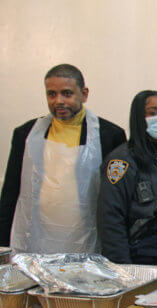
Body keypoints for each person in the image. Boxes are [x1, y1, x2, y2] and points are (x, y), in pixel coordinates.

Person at [0, 64, 126, 253]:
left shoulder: (110, 135)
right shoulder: (25, 134)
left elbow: (117, 198)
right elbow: (11, 191)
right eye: (51, 94)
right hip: (36, 239)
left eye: (67, 94)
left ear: (84, 94)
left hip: (87, 240)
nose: (58, 101)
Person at [98, 90, 157, 270]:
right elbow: (111, 220)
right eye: (153, 113)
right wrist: (123, 269)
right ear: (139, 117)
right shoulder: (121, 161)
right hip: (139, 256)